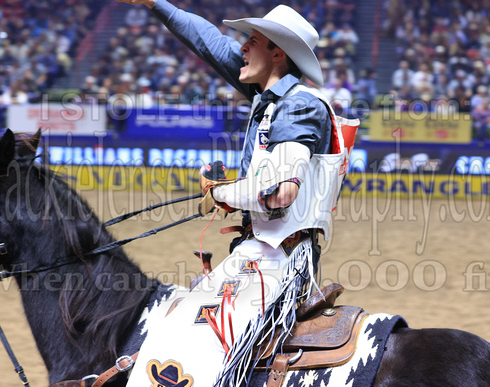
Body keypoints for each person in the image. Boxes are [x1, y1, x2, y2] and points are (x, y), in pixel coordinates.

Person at [116, 1, 356, 386]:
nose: (241, 48)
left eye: (252, 41)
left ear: (277, 53)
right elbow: (208, 41)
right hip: (262, 253)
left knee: (196, 337)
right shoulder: (273, 98)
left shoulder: (297, 107)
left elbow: (279, 194)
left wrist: (222, 193)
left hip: (279, 259)